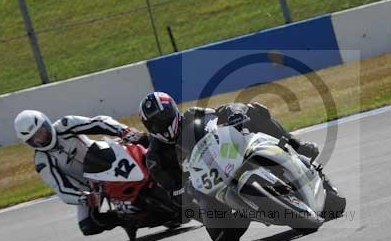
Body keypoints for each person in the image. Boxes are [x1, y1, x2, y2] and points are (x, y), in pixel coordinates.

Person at [137, 92, 345, 216]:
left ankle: (295, 148)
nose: (161, 124)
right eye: (155, 122)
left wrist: (235, 113)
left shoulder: (193, 115)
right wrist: (188, 191)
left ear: (173, 110)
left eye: (164, 117)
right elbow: (173, 195)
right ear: (148, 127)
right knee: (225, 240)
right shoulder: (155, 157)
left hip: (228, 157)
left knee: (255, 110)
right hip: (207, 195)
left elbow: (223, 110)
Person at [14, 110, 148, 236]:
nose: (40, 139)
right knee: (88, 226)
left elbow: (98, 122)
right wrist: (83, 197)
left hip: (107, 158)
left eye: (41, 132)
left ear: (46, 124)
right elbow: (60, 189)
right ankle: (126, 220)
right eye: (34, 139)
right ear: (29, 143)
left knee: (143, 142)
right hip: (90, 187)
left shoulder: (65, 125)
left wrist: (123, 130)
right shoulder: (42, 160)